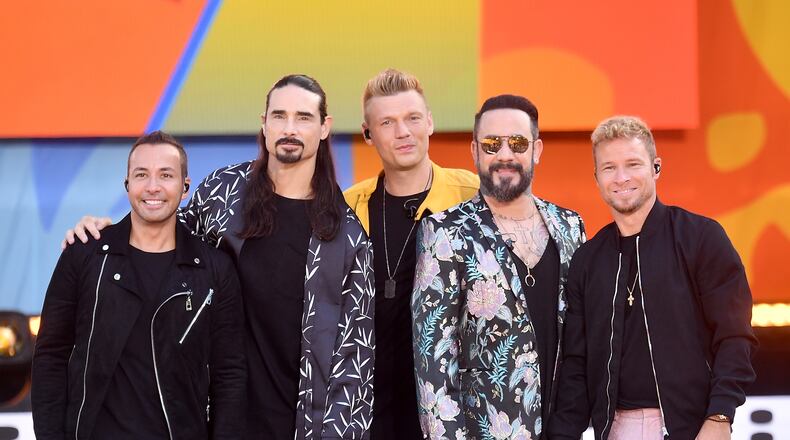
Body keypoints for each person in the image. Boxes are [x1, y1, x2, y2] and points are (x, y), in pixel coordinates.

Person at [62, 75, 375, 439]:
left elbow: (355, 361)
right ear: (264, 123)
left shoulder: (347, 236)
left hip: (302, 424)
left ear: (325, 127)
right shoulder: (224, 192)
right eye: (279, 116)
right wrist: (105, 231)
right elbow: (157, 235)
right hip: (208, 416)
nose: (289, 128)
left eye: (303, 117)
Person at [548, 116, 757, 440]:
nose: (621, 178)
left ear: (656, 168)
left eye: (633, 164)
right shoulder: (587, 260)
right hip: (615, 430)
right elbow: (577, 365)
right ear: (596, 177)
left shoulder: (701, 238)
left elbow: (734, 336)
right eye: (609, 168)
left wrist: (720, 415)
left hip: (694, 427)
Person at [32, 131, 246, 439]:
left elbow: (230, 376)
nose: (153, 186)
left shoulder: (215, 270)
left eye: (166, 175)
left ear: (185, 187)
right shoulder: (85, 255)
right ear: (127, 185)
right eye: (141, 174)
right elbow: (51, 355)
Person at [411, 95, 585, 439]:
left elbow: (583, 347)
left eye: (518, 143)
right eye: (492, 144)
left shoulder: (570, 227)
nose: (505, 155)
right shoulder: (445, 234)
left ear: (536, 150)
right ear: (474, 151)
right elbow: (433, 369)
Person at [343, 68, 478, 439]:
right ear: (368, 134)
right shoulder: (346, 207)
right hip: (370, 409)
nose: (403, 132)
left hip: (452, 408)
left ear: (430, 123)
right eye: (387, 122)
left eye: (412, 118)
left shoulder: (473, 196)